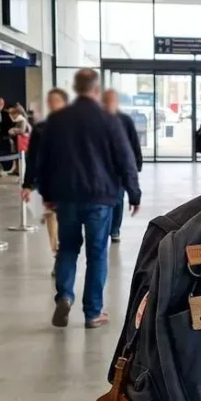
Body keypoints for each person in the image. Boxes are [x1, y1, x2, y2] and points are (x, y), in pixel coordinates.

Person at [36, 70, 141, 329]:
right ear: (96, 90)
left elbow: (44, 161)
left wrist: (48, 194)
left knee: (68, 248)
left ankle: (65, 296)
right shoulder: (108, 120)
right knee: (97, 254)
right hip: (100, 198)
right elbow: (125, 159)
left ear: (75, 88)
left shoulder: (57, 121)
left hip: (67, 197)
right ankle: (93, 312)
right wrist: (133, 192)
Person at [22, 88, 70, 256]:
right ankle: (56, 250)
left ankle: (64, 249)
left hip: (72, 181)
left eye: (56, 101)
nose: (52, 105)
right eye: (50, 101)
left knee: (66, 219)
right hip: (49, 182)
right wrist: (27, 184)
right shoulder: (41, 128)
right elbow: (32, 157)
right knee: (51, 215)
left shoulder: (76, 128)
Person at [101, 89, 144, 243]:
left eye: (111, 101)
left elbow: (133, 143)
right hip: (102, 169)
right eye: (106, 101)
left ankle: (114, 229)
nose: (108, 104)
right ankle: (105, 229)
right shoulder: (96, 121)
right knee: (105, 201)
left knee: (118, 200)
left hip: (119, 169)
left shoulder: (124, 120)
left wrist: (137, 163)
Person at [0, 98, 15, 174]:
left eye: (2, 103)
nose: (0, 105)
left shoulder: (6, 114)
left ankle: (5, 169)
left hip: (4, 139)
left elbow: (10, 125)